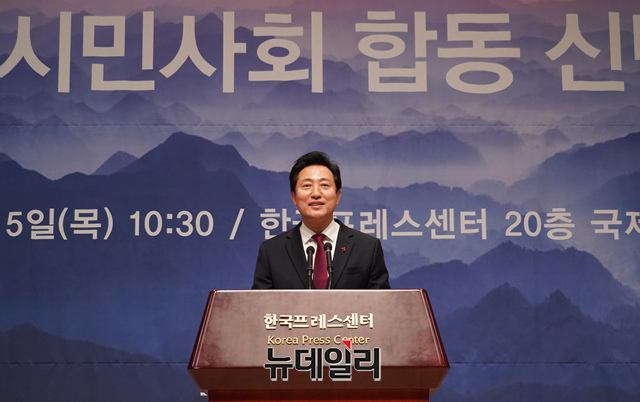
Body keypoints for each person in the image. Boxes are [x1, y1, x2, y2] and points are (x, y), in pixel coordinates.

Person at [252, 151, 391, 289]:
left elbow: (382, 301)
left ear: (337, 196)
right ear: (294, 197)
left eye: (324, 185)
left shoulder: (367, 248)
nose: (316, 194)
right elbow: (259, 303)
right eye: (307, 185)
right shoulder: (272, 252)